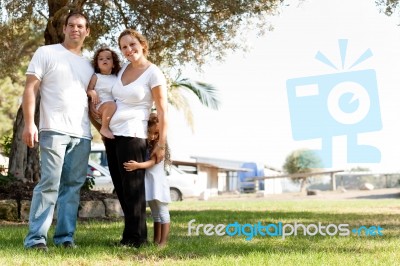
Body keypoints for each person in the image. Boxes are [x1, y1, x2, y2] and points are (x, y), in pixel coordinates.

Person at [21, 10, 93, 251]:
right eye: (71, 25)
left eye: (80, 26)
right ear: (64, 29)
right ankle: (35, 239)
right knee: (50, 183)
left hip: (82, 134)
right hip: (53, 129)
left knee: (72, 187)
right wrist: (30, 123)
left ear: (87, 32)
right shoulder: (46, 53)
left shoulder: (88, 65)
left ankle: (65, 238)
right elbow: (31, 88)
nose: (75, 29)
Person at [100, 29, 168, 248]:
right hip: (113, 135)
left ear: (142, 44)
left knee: (133, 189)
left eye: (131, 45)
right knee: (121, 187)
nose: (128, 50)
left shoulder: (153, 73)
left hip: (133, 135)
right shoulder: (122, 70)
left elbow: (163, 110)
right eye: (123, 47)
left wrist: (161, 143)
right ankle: (129, 235)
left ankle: (137, 238)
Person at [123, 113, 171, 247]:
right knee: (155, 214)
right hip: (150, 183)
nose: (154, 136)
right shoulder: (147, 144)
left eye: (157, 133)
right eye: (151, 133)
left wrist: (137, 166)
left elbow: (152, 162)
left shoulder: (159, 147)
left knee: (163, 212)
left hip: (158, 184)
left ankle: (163, 242)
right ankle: (156, 240)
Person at [87, 47, 121, 139]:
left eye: (108, 58)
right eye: (101, 59)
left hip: (114, 109)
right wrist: (92, 93)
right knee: (111, 105)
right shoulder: (96, 77)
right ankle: (104, 128)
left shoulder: (116, 78)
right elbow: (89, 89)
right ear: (97, 65)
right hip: (100, 108)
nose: (104, 60)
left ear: (114, 64)